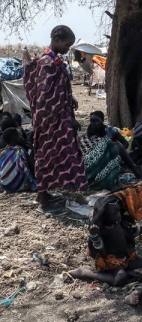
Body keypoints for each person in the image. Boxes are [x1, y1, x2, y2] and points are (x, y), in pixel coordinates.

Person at [23, 25, 88, 212]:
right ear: (57, 40)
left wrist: (69, 98)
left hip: (56, 119)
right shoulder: (48, 63)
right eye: (67, 44)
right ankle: (43, 199)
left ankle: (44, 193)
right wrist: (64, 116)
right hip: (51, 121)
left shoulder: (53, 61)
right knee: (46, 156)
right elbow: (44, 96)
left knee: (57, 155)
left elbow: (55, 89)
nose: (68, 48)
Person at [80, 119, 142, 190]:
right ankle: (137, 173)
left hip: (85, 179)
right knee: (118, 147)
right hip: (96, 177)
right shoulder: (105, 141)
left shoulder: (82, 140)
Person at [0, 127, 36, 192]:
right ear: (15, 138)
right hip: (20, 185)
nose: (22, 138)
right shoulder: (19, 150)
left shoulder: (3, 152)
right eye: (20, 136)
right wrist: (31, 149)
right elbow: (32, 166)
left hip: (5, 185)